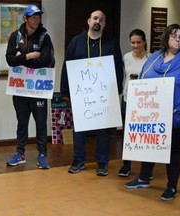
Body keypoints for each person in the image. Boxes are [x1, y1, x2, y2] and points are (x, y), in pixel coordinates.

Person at [125, 24, 180, 201]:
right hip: (152, 112)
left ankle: (172, 186)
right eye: (174, 35)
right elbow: (143, 78)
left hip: (176, 114)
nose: (177, 39)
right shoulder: (155, 58)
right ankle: (144, 178)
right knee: (150, 145)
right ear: (166, 37)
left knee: (173, 149)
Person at [60, 10, 123, 176]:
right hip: (81, 94)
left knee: (103, 130)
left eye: (102, 20)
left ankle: (102, 163)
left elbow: (118, 67)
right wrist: (65, 90)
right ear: (88, 21)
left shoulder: (111, 42)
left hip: (103, 95)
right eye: (95, 18)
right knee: (79, 128)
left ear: (105, 24)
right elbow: (67, 66)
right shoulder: (76, 42)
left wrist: (117, 89)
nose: (98, 21)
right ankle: (78, 160)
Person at [5, 5, 55, 169]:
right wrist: (31, 55)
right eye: (33, 17)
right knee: (22, 122)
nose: (36, 20)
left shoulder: (44, 37)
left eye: (38, 17)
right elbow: (10, 60)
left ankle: (42, 155)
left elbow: (46, 60)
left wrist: (21, 58)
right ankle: (20, 153)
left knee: (41, 123)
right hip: (20, 89)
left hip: (38, 89)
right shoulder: (15, 36)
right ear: (25, 18)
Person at [118, 29, 153, 178]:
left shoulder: (151, 59)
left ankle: (147, 170)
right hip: (128, 99)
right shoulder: (126, 57)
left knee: (145, 135)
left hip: (144, 102)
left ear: (144, 42)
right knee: (127, 134)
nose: (136, 45)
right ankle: (126, 165)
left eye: (139, 42)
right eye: (133, 42)